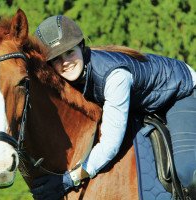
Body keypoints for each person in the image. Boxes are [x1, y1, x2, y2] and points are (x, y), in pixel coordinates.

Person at [31, 15, 196, 199]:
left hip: (181, 91)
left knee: (187, 172)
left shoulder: (114, 77)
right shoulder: (74, 75)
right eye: (56, 59)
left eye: (69, 52)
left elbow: (110, 146)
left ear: (82, 46)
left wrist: (70, 179)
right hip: (144, 99)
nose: (65, 63)